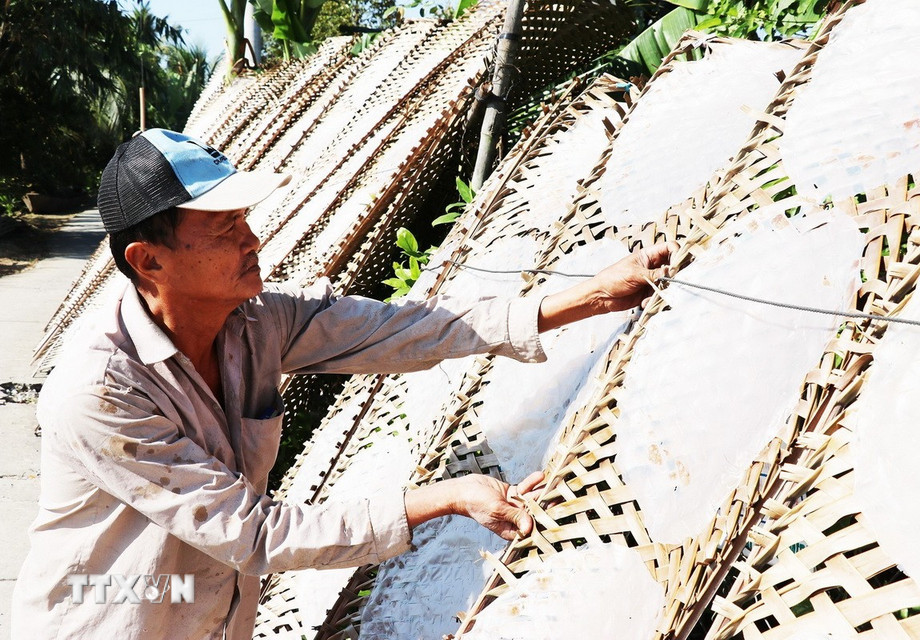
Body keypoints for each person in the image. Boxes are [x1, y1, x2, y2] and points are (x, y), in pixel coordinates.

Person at [11, 129, 675, 639]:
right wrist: (443, 497)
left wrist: (589, 297)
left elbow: (404, 330)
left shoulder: (256, 323)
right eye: (224, 228)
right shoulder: (102, 390)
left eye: (245, 219)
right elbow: (254, 535)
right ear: (148, 260)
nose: (252, 239)